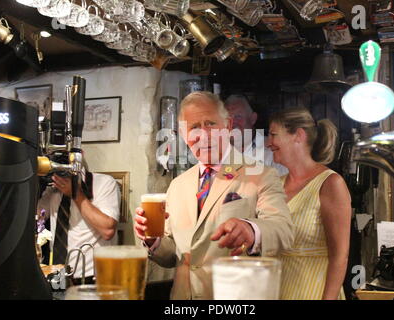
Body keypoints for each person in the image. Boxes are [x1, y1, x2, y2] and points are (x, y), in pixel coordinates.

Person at [134, 91, 295, 300]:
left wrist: (251, 229)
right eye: (193, 128)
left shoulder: (261, 174)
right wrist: (152, 240)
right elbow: (172, 256)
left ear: (228, 126)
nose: (203, 135)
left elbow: (284, 230)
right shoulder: (177, 186)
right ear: (183, 135)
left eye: (210, 124)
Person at [267, 107, 351, 300]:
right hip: (276, 290)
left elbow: (340, 256)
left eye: (273, 135)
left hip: (313, 291)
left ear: (298, 135)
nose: (268, 143)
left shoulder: (330, 183)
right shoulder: (276, 184)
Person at [37, 159, 120, 284]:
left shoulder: (104, 183)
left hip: (93, 277)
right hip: (58, 276)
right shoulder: (53, 190)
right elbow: (36, 218)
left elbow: (107, 230)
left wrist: (75, 193)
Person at [224, 94, 288, 176]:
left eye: (238, 116)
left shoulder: (273, 151)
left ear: (252, 119)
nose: (232, 123)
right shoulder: (218, 152)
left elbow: (286, 185)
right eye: (227, 118)